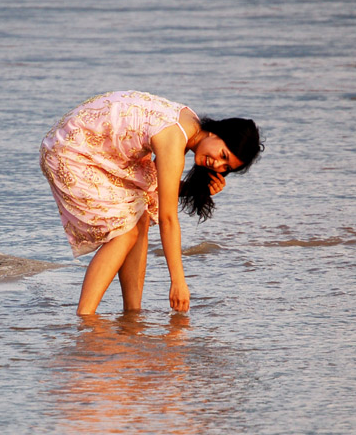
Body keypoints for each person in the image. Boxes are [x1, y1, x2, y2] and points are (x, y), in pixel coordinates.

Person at [40, 90, 263, 315]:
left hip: (97, 151)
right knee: (123, 235)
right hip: (71, 152)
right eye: (223, 155)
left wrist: (197, 190)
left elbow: (155, 185)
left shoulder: (190, 123)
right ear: (217, 133)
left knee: (141, 217)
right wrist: (178, 282)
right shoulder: (174, 138)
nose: (217, 165)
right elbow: (168, 219)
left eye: (226, 168)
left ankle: (132, 313)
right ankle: (85, 317)